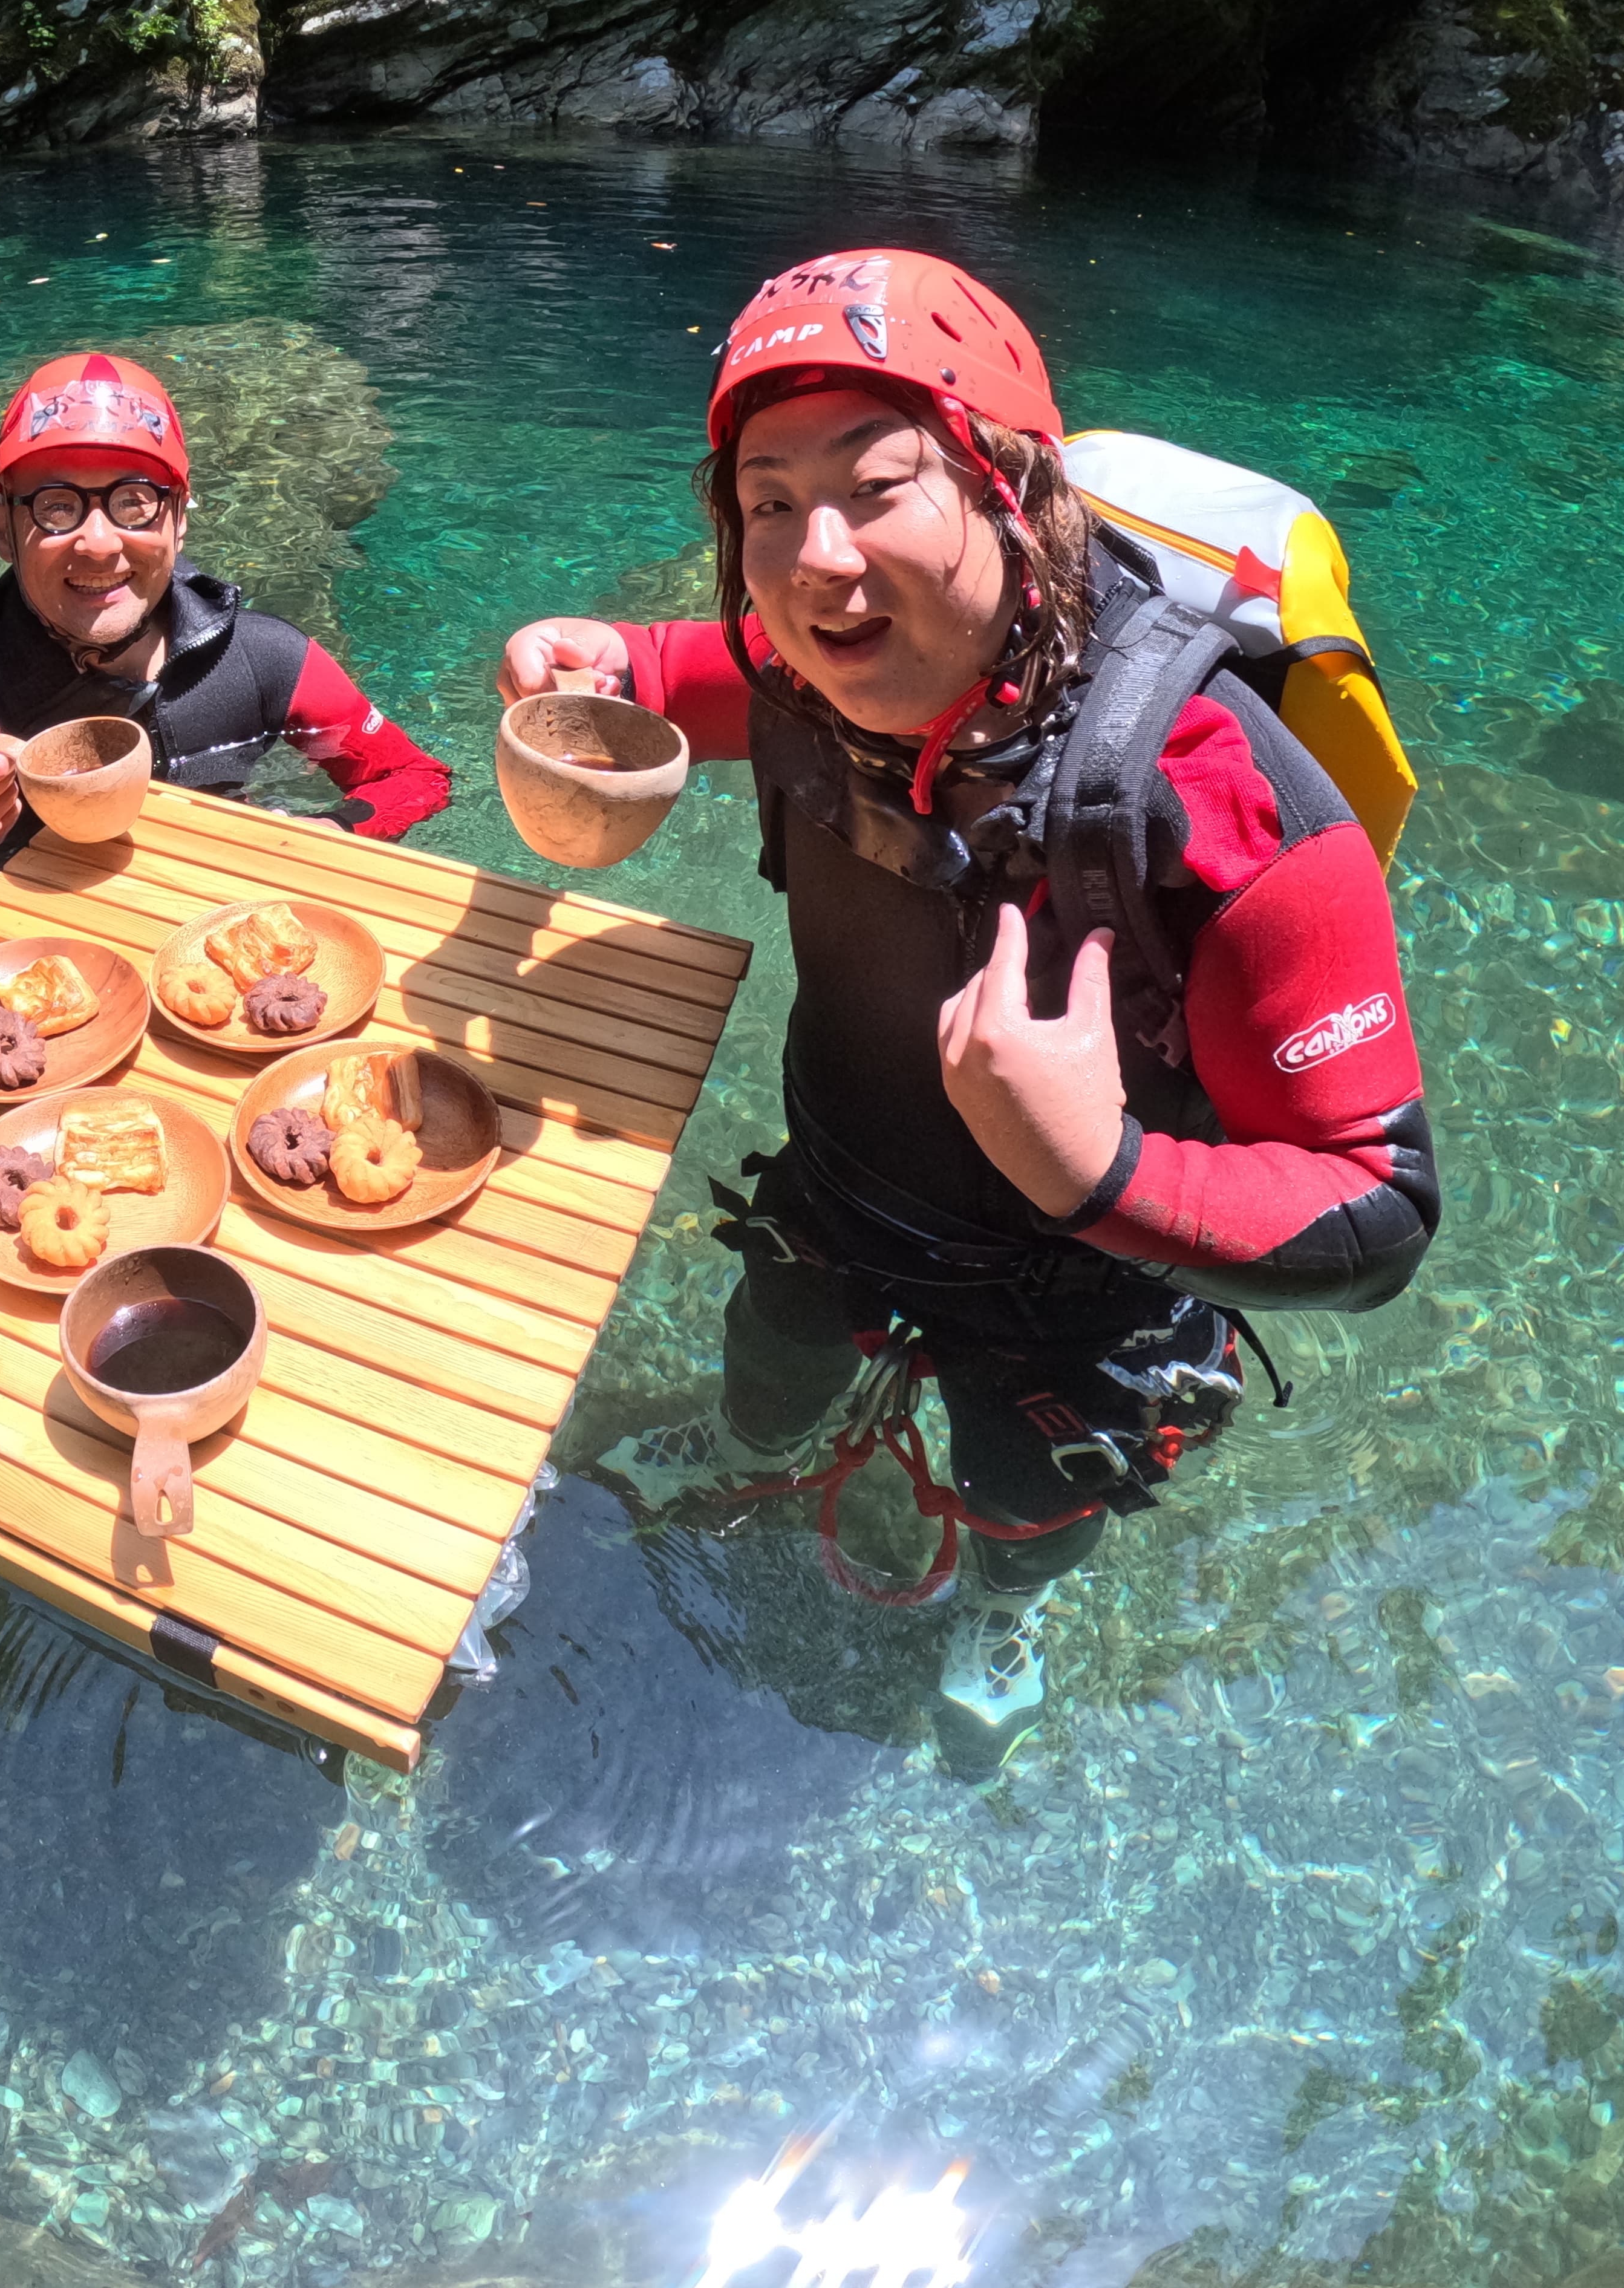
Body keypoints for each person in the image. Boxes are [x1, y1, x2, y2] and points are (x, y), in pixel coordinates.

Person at [500, 250, 1437, 1770]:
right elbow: (718, 669)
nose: (814, 561)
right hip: (843, 1177)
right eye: (766, 504)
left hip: (1086, 1283)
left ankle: (1002, 1602)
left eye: (877, 487)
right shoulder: (817, 664)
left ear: (1013, 494)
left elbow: (1379, 1207)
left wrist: (1102, 1172)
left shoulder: (1228, 803)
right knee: (775, 1337)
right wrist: (613, 663)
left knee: (1029, 1484)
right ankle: (749, 1443)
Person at [0, 350, 454, 890]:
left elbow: (415, 777)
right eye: (55, 507)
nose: (98, 543)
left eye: (134, 503)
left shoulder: (265, 658)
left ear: (179, 520)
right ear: (3, 529)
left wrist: (335, 829)